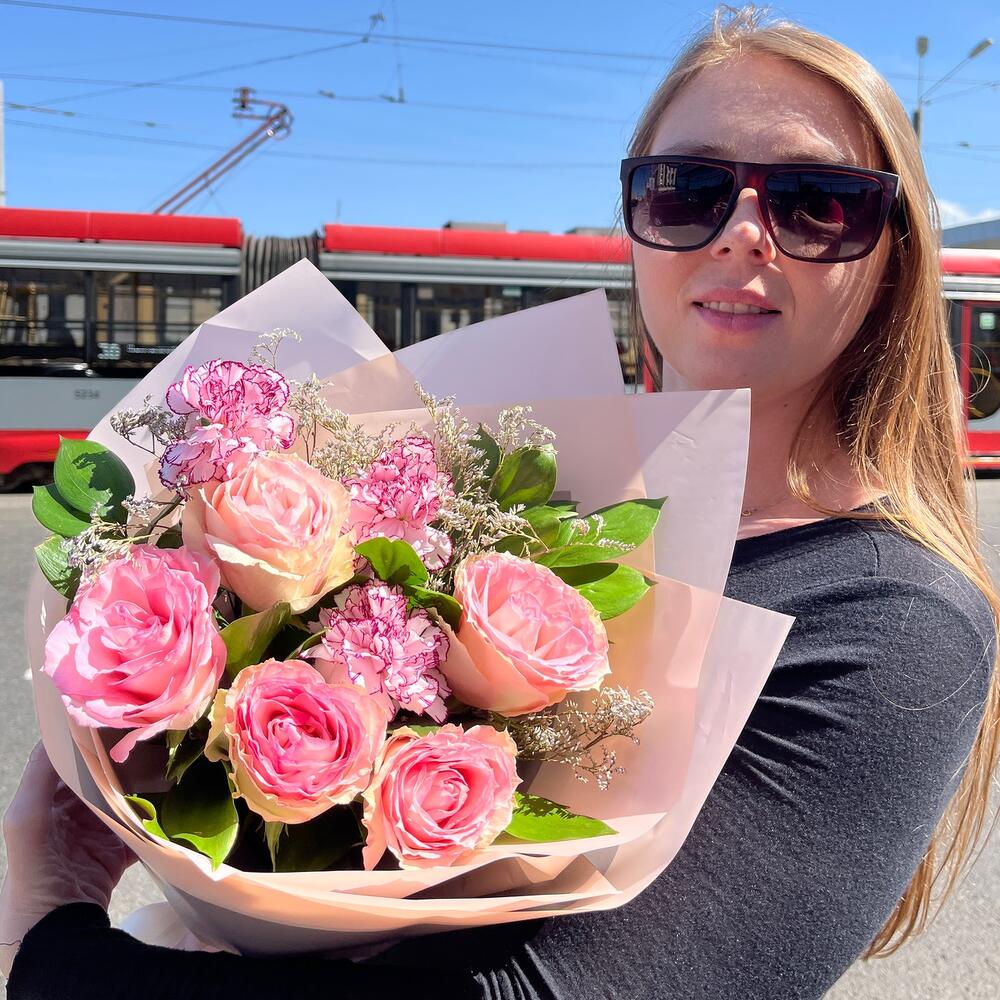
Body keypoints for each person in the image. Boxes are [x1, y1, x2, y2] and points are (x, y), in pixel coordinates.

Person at [2, 6, 998, 998]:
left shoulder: (895, 622)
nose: (742, 234)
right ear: (637, 224)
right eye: (687, 189)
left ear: (895, 256)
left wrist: (43, 929)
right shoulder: (547, 506)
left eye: (819, 203)